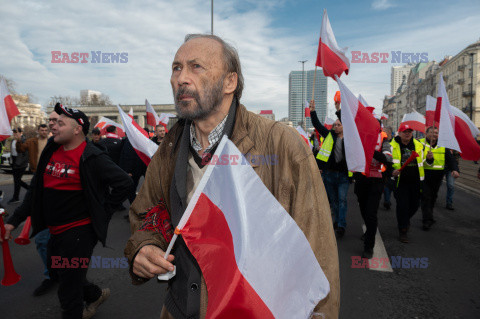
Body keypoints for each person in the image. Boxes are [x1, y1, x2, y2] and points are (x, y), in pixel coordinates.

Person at [124, 34, 339, 318]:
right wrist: (145, 246)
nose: (181, 78)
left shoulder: (283, 146)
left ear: (230, 82)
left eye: (196, 66)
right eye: (176, 68)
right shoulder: (169, 148)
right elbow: (146, 212)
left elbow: (317, 258)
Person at [2, 104, 133, 318]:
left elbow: (124, 184)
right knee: (63, 273)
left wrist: (103, 212)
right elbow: (36, 189)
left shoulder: (93, 156)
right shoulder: (52, 148)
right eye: (53, 122)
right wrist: (14, 221)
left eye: (60, 123)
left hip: (78, 234)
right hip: (54, 231)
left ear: (77, 130)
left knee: (68, 293)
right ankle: (95, 294)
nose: (53, 126)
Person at [310, 99, 350, 238]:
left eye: (338, 124)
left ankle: (341, 225)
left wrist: (339, 110)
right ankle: (337, 220)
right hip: (329, 175)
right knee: (333, 201)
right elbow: (317, 125)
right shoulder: (329, 135)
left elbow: (347, 121)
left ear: (344, 127)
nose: (335, 126)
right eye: (334, 125)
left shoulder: (350, 138)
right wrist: (312, 111)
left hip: (344, 176)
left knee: (342, 200)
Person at [353, 122, 392, 258]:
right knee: (364, 210)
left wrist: (372, 151)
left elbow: (387, 158)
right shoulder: (359, 137)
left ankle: (369, 247)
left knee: (371, 213)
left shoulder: (384, 139)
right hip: (361, 180)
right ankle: (369, 230)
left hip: (376, 180)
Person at [391, 124, 427, 243]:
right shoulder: (392, 145)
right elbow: (387, 161)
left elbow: (424, 161)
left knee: (415, 205)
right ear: (399, 133)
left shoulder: (418, 145)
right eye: (405, 131)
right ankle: (403, 230)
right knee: (402, 206)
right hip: (400, 183)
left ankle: (405, 220)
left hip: (416, 182)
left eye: (409, 131)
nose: (407, 134)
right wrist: (392, 171)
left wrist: (430, 158)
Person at [419, 127, 459, 230]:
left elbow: (451, 160)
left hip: (437, 177)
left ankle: (429, 216)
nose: (434, 134)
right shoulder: (419, 143)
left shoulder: (442, 145)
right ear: (426, 133)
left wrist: (455, 169)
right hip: (424, 175)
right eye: (432, 132)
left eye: (436, 133)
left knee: (433, 197)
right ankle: (426, 221)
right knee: (426, 197)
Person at [9, 128, 29, 204]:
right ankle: (16, 197)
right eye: (14, 132)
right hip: (14, 162)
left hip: (21, 163)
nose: (15, 134)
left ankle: (30, 189)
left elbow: (25, 155)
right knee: (16, 180)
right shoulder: (13, 140)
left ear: (21, 133)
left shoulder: (24, 140)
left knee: (17, 180)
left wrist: (19, 163)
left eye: (16, 132)